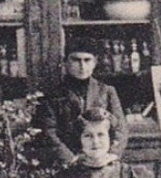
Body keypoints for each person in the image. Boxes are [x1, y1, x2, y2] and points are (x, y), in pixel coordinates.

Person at [36, 39, 128, 167]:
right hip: (69, 165)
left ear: (95, 62)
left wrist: (110, 155)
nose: (82, 66)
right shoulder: (53, 95)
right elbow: (48, 132)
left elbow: (120, 129)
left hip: (103, 163)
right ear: (65, 62)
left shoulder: (107, 91)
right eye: (76, 60)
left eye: (87, 60)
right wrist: (71, 159)